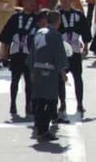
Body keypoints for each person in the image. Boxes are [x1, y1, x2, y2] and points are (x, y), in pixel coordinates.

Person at [27, 10, 68, 142]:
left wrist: (32, 70)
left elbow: (32, 53)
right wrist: (62, 72)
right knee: (50, 101)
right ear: (57, 21)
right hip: (49, 71)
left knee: (39, 100)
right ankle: (44, 130)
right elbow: (59, 56)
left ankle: (38, 125)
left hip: (37, 69)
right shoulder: (55, 35)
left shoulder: (38, 32)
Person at [1, 0, 37, 116]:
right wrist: (4, 55)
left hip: (29, 54)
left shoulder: (37, 19)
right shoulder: (15, 18)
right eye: (29, 1)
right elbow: (5, 38)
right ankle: (13, 104)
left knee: (29, 82)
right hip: (16, 53)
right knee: (15, 80)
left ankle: (29, 105)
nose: (32, 4)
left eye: (34, 2)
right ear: (24, 2)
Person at [57, 0, 91, 115]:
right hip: (62, 48)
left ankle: (80, 103)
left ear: (71, 0)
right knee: (60, 77)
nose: (65, 2)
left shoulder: (78, 14)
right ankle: (62, 103)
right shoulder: (57, 15)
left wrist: (86, 46)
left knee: (78, 77)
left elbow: (85, 30)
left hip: (75, 48)